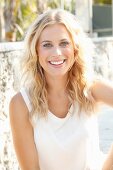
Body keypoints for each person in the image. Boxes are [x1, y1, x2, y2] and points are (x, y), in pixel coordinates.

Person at [9, 8, 113, 170]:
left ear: (75, 48)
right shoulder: (21, 104)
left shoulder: (91, 89)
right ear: (36, 50)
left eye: (64, 43)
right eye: (47, 45)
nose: (56, 53)